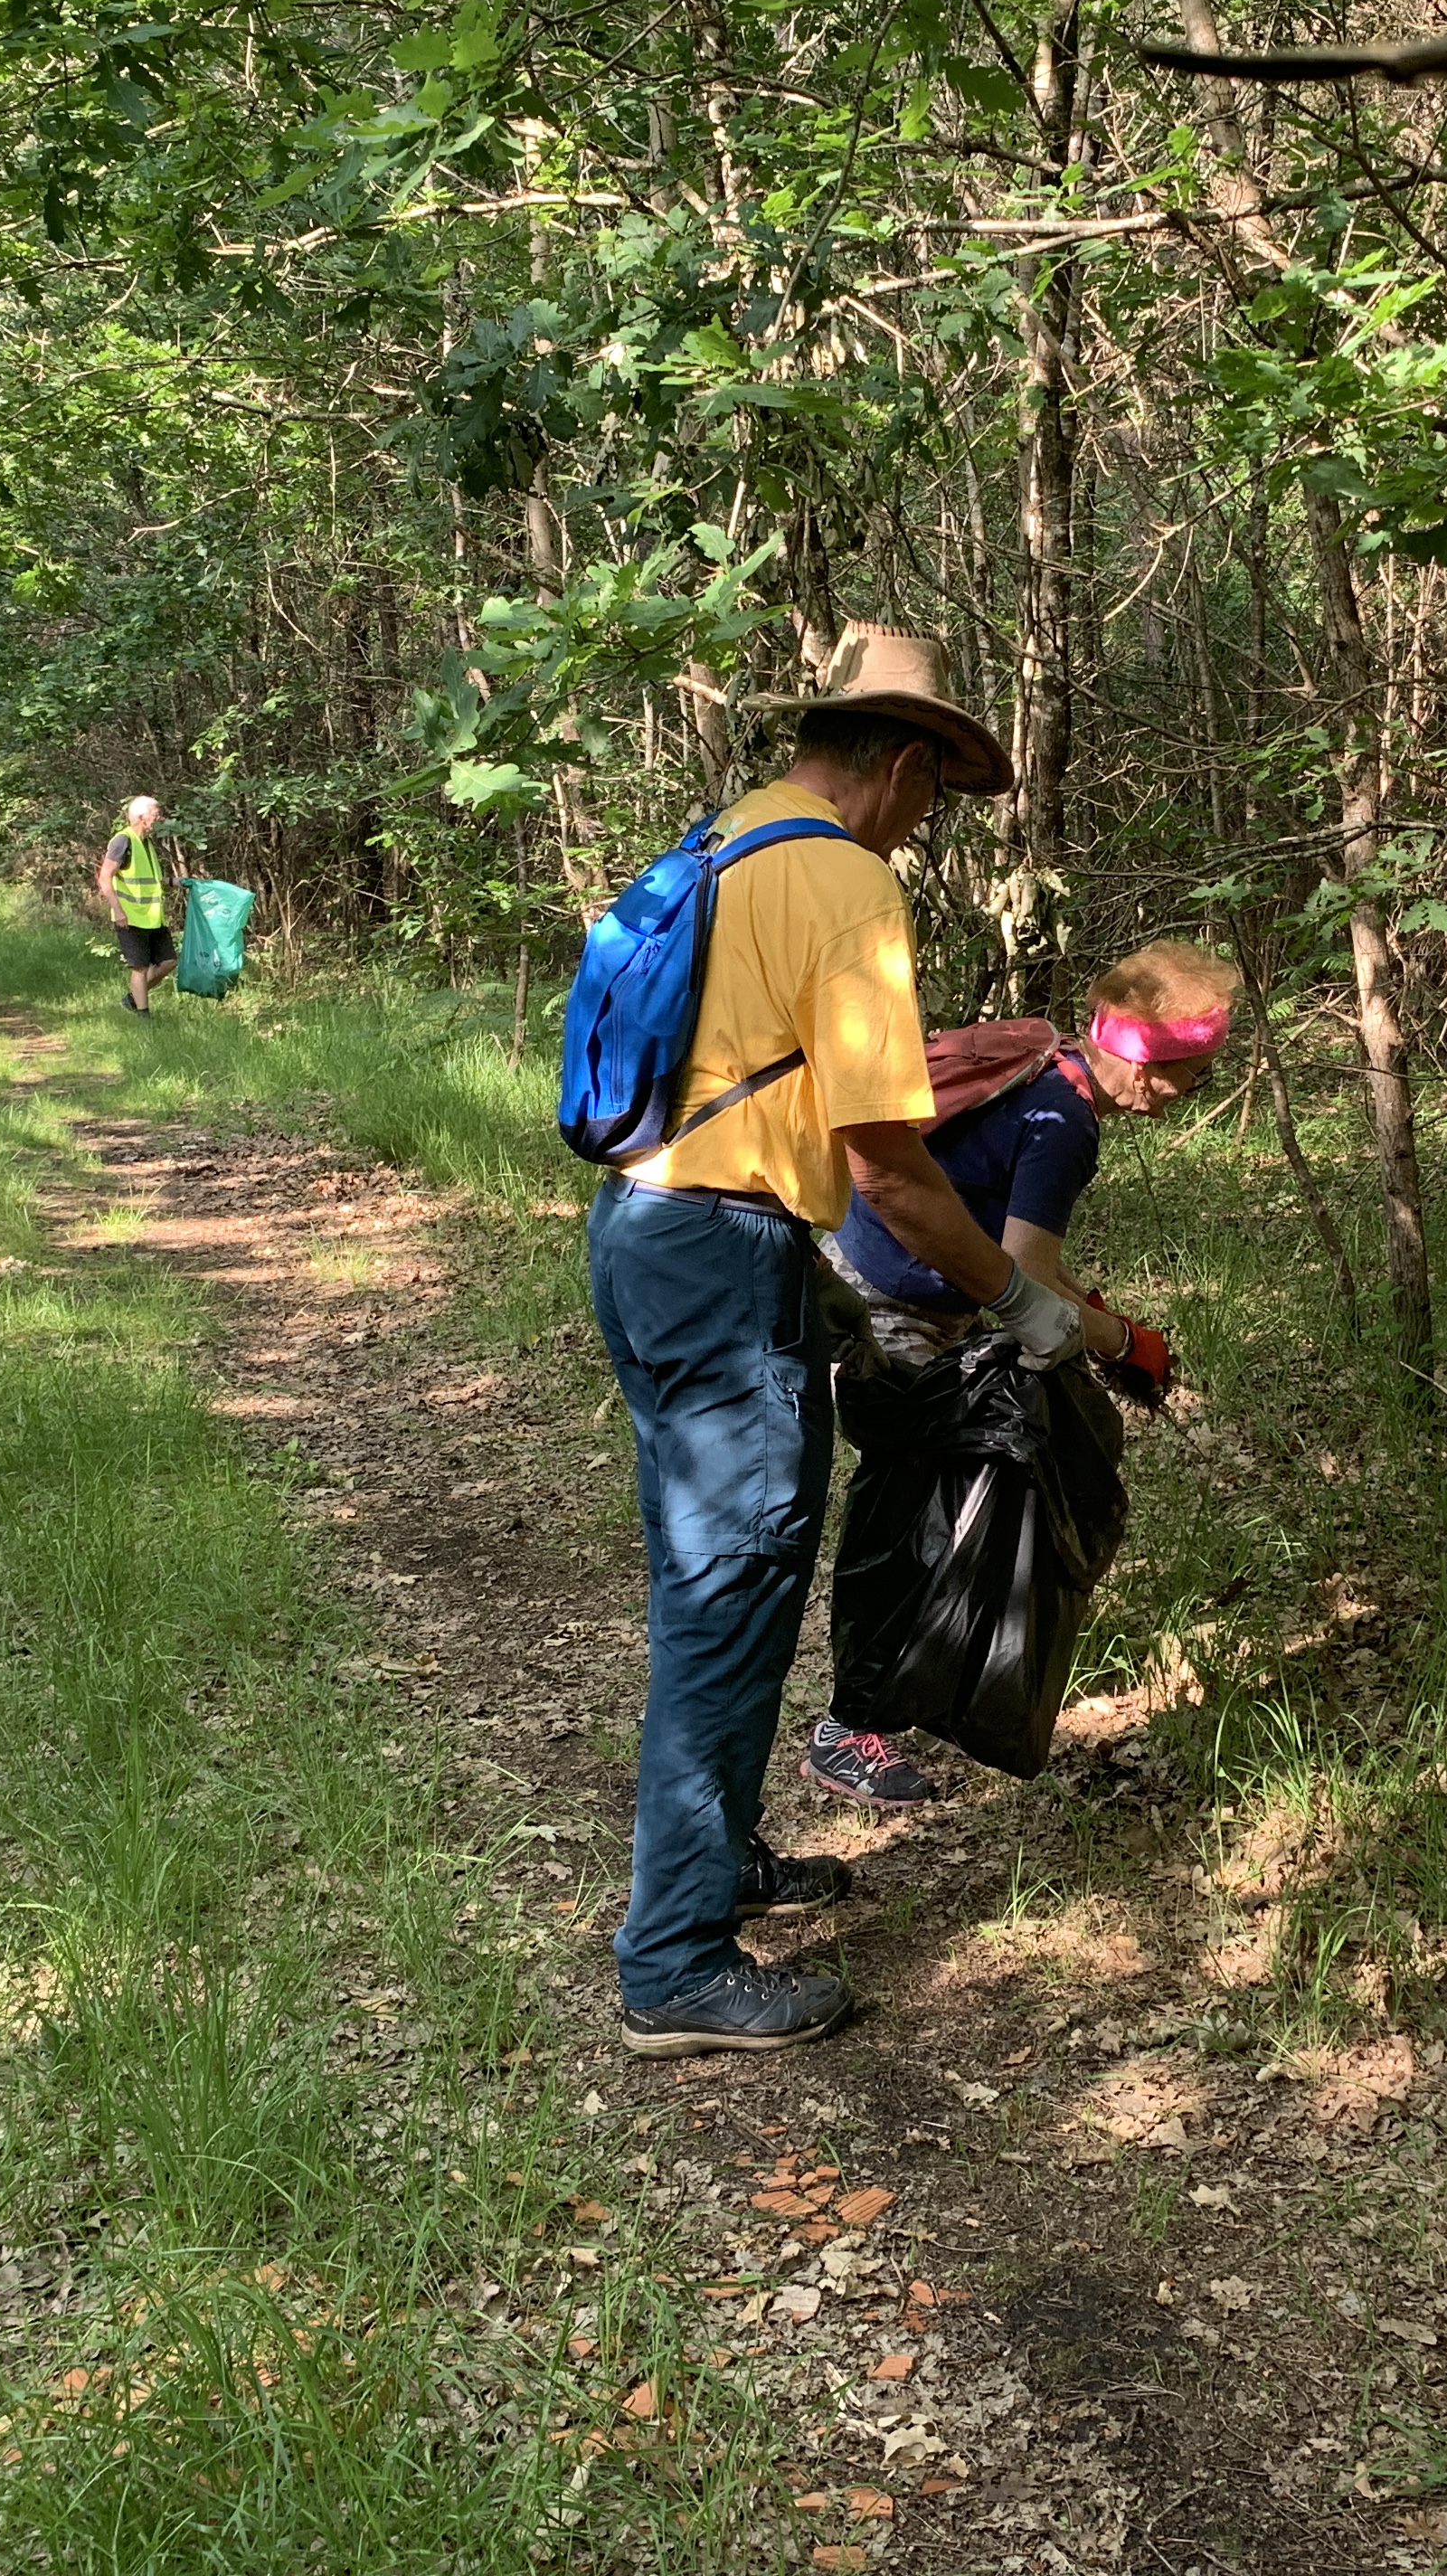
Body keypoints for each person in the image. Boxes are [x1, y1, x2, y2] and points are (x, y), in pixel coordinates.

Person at [590, 623, 1094, 2059]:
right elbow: (892, 1164)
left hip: (649, 1231)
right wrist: (1018, 1300)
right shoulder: (844, 877)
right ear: (898, 767)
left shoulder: (723, 841)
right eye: (934, 798)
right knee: (730, 1589)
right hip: (723, 1246)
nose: (927, 829)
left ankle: (720, 1858)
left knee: (717, 1571)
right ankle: (676, 1960)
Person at [800, 940, 1237, 1809]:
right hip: (894, 1315)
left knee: (926, 1500)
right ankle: (850, 1729)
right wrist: (1124, 1346)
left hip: (859, 1276)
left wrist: (1100, 1321)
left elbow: (1021, 1268)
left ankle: (891, 1701)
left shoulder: (1044, 1058)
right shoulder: (1065, 1124)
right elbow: (1026, 1276)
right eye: (1196, 1073)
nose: (1197, 1091)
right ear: (1152, 1070)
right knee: (913, 1510)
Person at [97, 797, 178, 1011]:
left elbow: (151, 880)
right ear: (142, 817)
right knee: (140, 968)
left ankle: (132, 999)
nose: (159, 816)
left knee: (168, 962)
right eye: (155, 812)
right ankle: (144, 1017)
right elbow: (105, 878)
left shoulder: (147, 843)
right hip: (130, 917)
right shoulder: (123, 841)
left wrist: (175, 882)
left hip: (153, 917)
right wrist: (118, 911)